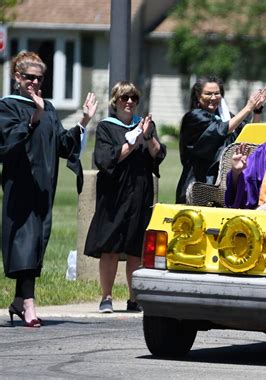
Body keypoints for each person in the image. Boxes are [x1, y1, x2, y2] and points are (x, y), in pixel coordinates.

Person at [0, 51, 98, 327]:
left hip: (44, 186)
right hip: (19, 185)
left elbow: (64, 146)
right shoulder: (7, 107)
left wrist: (83, 121)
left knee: (36, 242)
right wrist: (34, 116)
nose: (33, 82)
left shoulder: (49, 108)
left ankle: (20, 302)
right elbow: (8, 142)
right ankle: (29, 304)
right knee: (25, 241)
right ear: (16, 77)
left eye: (39, 78)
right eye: (28, 77)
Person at [84, 81, 167, 313]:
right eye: (124, 97)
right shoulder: (106, 128)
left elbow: (158, 155)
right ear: (115, 101)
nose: (129, 102)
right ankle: (106, 297)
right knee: (110, 248)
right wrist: (132, 140)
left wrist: (149, 136)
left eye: (133, 97)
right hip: (114, 195)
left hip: (140, 194)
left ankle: (134, 298)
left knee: (135, 249)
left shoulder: (145, 125)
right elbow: (106, 159)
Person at [175, 75, 266, 204]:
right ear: (198, 95)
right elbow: (221, 130)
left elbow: (248, 132)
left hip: (223, 186)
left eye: (217, 93)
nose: (213, 98)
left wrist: (257, 110)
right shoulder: (194, 117)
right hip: (198, 185)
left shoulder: (225, 116)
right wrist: (248, 107)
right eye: (208, 94)